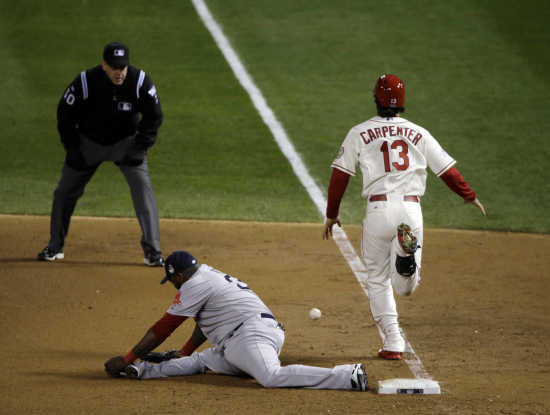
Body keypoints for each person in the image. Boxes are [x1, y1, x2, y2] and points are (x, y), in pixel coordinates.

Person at [323, 74, 486, 360]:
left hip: (378, 211)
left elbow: (340, 176)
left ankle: (393, 342)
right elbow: (446, 171)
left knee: (377, 278)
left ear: (376, 99)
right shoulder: (419, 133)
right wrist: (469, 195)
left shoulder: (359, 132)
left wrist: (331, 215)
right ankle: (403, 254)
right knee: (406, 288)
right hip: (411, 210)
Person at [104, 251, 368, 391]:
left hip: (251, 335)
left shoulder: (194, 284)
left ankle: (347, 376)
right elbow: (204, 322)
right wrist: (184, 351)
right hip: (239, 340)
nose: (171, 284)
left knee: (270, 377)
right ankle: (142, 371)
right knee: (197, 361)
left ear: (181, 275)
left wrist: (126, 356)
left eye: (171, 279)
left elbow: (163, 328)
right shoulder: (205, 276)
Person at [37, 41, 164, 266]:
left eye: (122, 66)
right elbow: (64, 114)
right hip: (89, 144)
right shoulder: (85, 82)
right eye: (114, 67)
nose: (119, 72)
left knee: (143, 191)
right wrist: (73, 148)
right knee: (64, 193)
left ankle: (153, 252)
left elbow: (154, 115)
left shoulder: (140, 81)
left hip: (126, 143)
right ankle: (55, 247)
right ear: (104, 65)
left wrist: (140, 145)